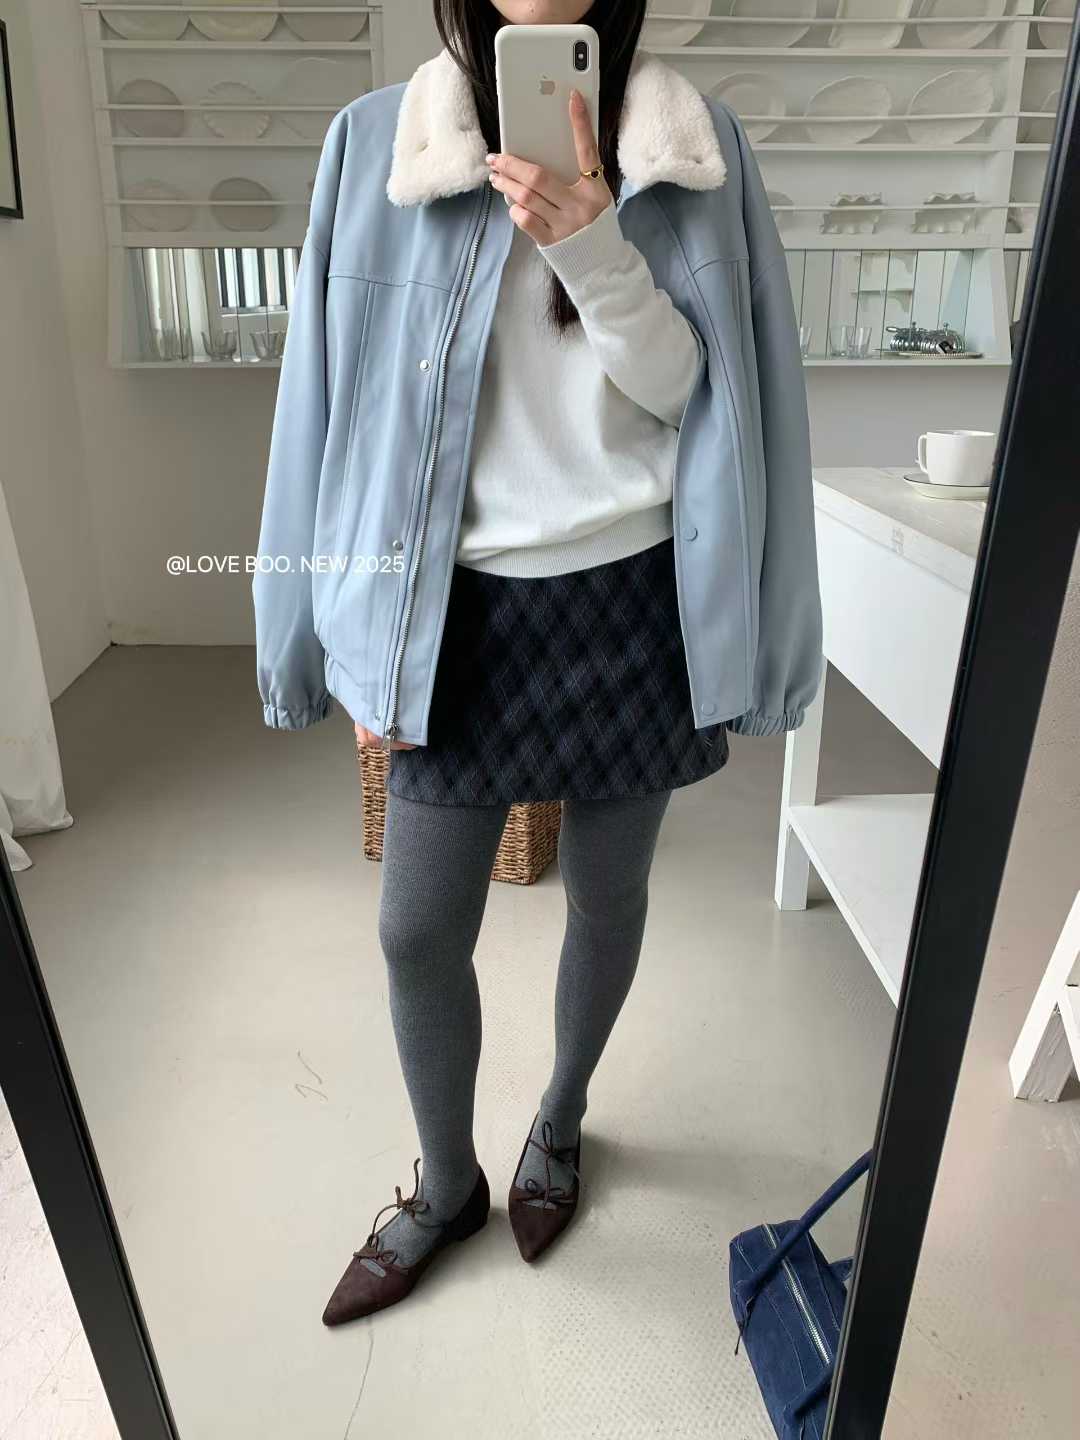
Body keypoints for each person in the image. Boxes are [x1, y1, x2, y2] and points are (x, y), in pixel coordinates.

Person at [253, 0, 823, 1327]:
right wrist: (319, 636)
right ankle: (449, 1183)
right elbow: (322, 408)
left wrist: (596, 248)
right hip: (451, 611)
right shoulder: (378, 144)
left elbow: (714, 398)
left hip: (635, 602)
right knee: (415, 930)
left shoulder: (692, 145)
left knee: (609, 900)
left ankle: (559, 1123)